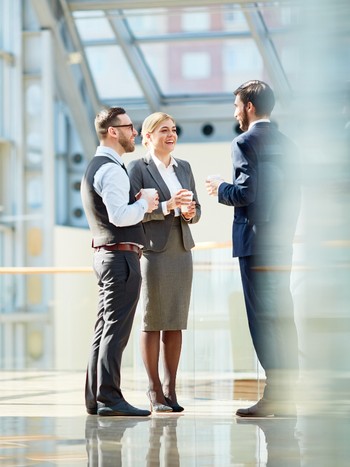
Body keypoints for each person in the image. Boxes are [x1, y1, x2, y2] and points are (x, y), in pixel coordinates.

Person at [206, 80, 301, 417]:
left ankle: (276, 394)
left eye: (236, 106)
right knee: (282, 315)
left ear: (248, 106)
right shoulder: (289, 144)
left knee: (262, 319)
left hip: (254, 244)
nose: (234, 112)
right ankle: (287, 390)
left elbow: (246, 194)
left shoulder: (244, 142)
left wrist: (220, 188)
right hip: (280, 243)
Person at [81, 107, 159, 417]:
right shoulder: (112, 169)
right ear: (113, 131)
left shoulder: (97, 166)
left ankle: (95, 397)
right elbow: (119, 216)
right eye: (129, 127)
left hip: (108, 255)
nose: (134, 133)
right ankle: (109, 398)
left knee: (104, 328)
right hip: (120, 258)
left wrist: (136, 201)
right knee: (115, 330)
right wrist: (144, 203)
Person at [128, 112, 201, 413]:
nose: (171, 135)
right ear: (147, 137)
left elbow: (196, 212)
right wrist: (169, 207)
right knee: (153, 321)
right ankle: (154, 388)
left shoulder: (184, 167)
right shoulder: (137, 168)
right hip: (154, 252)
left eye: (173, 129)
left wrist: (188, 212)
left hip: (182, 250)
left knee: (175, 321)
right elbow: (133, 212)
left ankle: (171, 389)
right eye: (163, 131)